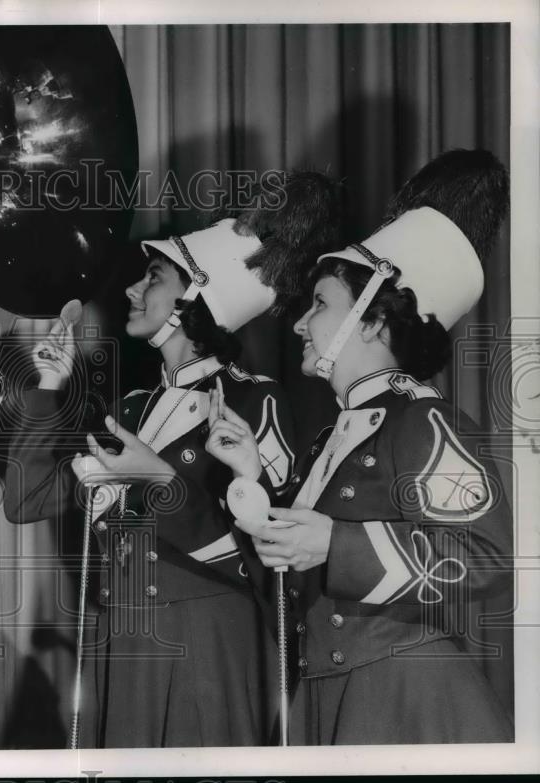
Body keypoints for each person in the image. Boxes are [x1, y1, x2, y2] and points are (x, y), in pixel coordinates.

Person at [4, 172, 339, 747]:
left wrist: (156, 479)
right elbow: (23, 499)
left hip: (209, 642)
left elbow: (275, 557)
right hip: (124, 641)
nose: (133, 291)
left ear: (192, 301)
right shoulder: (130, 410)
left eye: (152, 279)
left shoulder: (253, 400)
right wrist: (47, 390)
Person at [206, 149, 514, 744]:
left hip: (405, 701)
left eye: (320, 305)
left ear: (371, 323)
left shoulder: (424, 421)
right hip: (325, 700)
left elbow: (486, 557)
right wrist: (248, 477)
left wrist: (333, 543)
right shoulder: (331, 439)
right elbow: (285, 577)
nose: (299, 323)